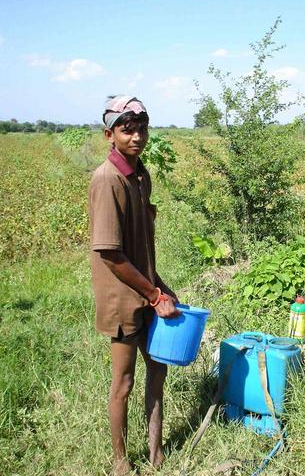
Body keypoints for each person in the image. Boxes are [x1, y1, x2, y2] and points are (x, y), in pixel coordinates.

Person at [88, 95, 180, 475]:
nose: (136, 136)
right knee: (123, 382)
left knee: (157, 371)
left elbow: (141, 245)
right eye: (127, 130)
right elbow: (110, 253)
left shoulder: (140, 175)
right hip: (123, 299)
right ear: (110, 134)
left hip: (146, 291)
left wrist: (162, 287)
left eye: (141, 129)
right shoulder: (107, 180)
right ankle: (121, 463)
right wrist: (154, 293)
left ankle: (156, 454)